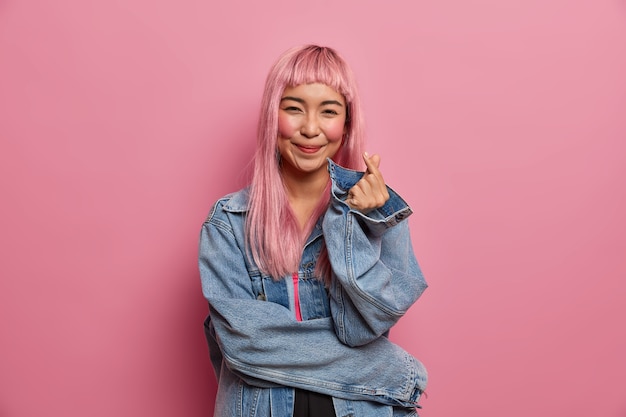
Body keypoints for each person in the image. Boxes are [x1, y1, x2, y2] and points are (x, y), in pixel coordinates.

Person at [198, 45, 428, 417]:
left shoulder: (378, 214)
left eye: (329, 111)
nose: (310, 128)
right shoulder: (228, 222)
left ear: (347, 124)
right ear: (272, 117)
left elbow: (360, 330)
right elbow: (245, 344)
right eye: (293, 108)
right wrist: (391, 370)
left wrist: (351, 222)